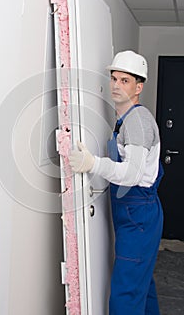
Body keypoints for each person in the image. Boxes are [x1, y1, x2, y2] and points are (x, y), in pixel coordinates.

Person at [69, 50, 164, 315]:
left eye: (125, 80)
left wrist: (93, 164)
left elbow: (132, 175)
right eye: (114, 78)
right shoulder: (125, 119)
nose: (116, 85)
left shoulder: (137, 122)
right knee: (141, 287)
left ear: (139, 86)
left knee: (125, 294)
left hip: (139, 217)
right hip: (134, 214)